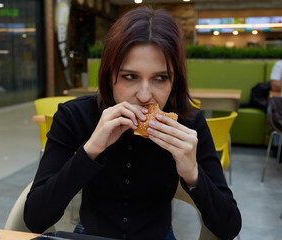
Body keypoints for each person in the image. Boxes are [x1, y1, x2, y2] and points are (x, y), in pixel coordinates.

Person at [24, 7, 241, 240]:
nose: (145, 95)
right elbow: (36, 218)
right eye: (130, 76)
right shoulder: (74, 116)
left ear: (174, 81)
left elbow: (228, 227)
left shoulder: (189, 124)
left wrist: (192, 173)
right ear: (109, 75)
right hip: (90, 234)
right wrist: (90, 150)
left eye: (160, 78)